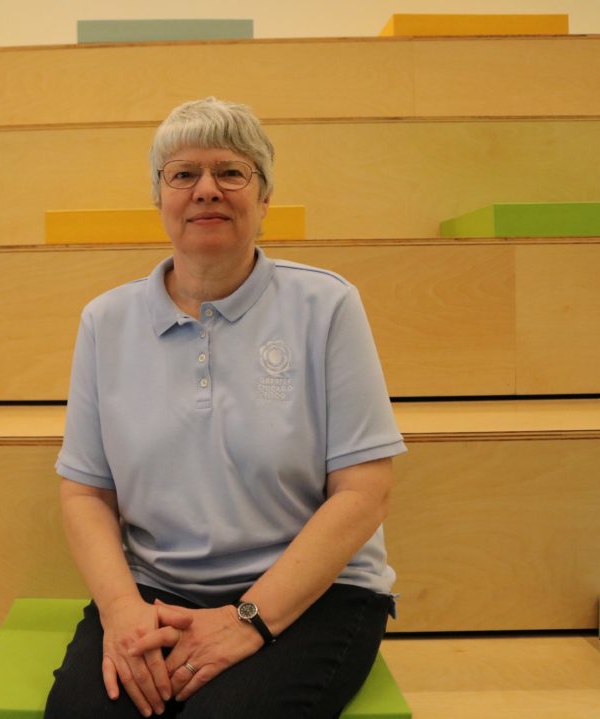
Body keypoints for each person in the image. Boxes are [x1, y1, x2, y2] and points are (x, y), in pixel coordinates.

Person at [45, 97, 406, 719]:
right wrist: (123, 611)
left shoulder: (327, 306)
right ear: (158, 198)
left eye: (231, 172)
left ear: (264, 197)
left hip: (315, 595)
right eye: (183, 174)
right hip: (157, 592)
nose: (206, 190)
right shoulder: (105, 321)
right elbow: (85, 494)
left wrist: (248, 620)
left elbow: (364, 490)